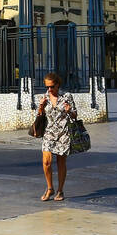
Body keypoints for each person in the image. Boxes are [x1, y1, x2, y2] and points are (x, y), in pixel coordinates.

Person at [37, 72, 77, 201]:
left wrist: (69, 111)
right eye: (47, 87)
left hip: (63, 133)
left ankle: (60, 190)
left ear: (58, 85)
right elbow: (39, 116)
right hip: (49, 133)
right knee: (46, 161)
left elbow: (75, 115)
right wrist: (41, 107)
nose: (49, 90)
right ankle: (50, 188)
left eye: (52, 87)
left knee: (61, 162)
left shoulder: (66, 96)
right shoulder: (45, 97)